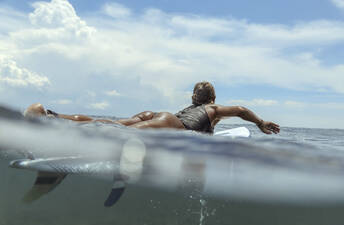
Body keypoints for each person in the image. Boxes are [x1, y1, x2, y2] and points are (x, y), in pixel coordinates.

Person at [24, 82, 280, 135]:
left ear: (193, 97)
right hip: (172, 124)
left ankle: (49, 115)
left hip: (158, 115)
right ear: (212, 98)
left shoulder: (190, 108)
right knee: (116, 130)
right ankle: (55, 123)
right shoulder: (214, 109)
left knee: (113, 123)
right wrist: (259, 123)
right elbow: (240, 109)